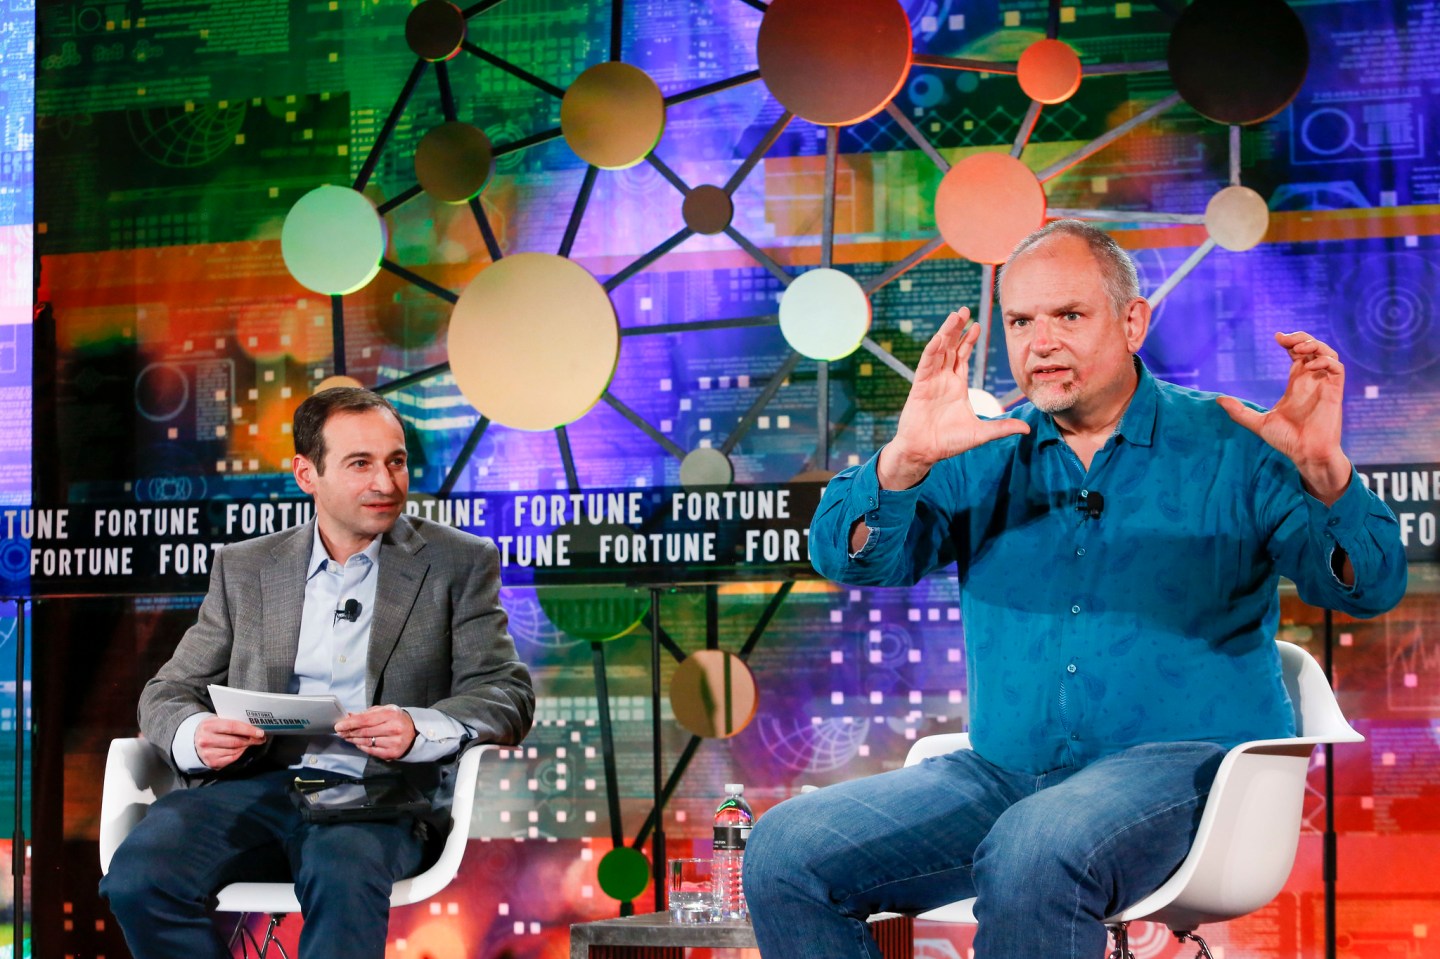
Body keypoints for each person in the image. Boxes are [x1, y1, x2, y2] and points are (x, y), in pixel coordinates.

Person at [743, 220, 1407, 958]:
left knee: (1036, 845)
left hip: (1187, 772)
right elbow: (855, 560)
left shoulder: (1236, 444)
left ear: (1132, 322)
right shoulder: (984, 447)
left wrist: (1325, 474)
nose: (1040, 342)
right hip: (1002, 772)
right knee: (786, 849)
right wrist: (903, 461)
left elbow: (1368, 588)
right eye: (1021, 321)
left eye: (1068, 315)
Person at [101, 387, 535, 959]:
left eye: (396, 461)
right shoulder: (246, 567)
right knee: (139, 879)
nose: (386, 482)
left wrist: (419, 725)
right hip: (250, 789)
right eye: (361, 464)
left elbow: (507, 692)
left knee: (341, 869)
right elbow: (168, 691)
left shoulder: (458, 561)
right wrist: (192, 735)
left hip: (378, 797)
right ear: (307, 474)